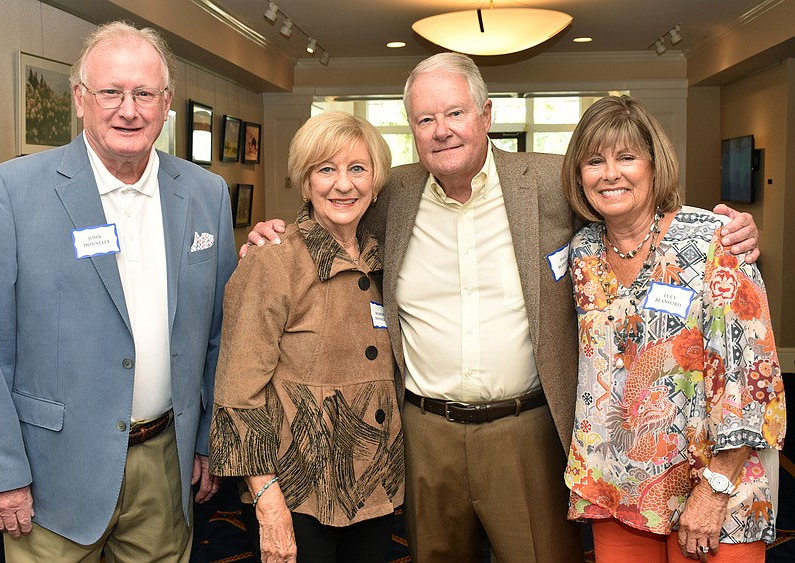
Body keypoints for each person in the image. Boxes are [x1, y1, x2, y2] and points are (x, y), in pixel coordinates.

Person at [245, 53, 759, 563]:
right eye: (425, 119)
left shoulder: (553, 181)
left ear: (485, 114)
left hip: (526, 429)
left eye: (455, 113)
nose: (442, 130)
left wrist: (730, 232)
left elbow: (632, 207)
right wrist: (274, 235)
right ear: (413, 129)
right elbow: (335, 210)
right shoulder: (392, 193)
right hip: (425, 431)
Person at [0, 21, 236, 561]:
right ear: (80, 98)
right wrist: (0, 472)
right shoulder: (12, 191)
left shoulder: (207, 194)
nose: (128, 110)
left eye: (144, 94)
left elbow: (220, 334)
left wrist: (206, 439)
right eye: (111, 92)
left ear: (166, 104)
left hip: (166, 465)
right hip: (52, 471)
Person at [561, 95, 786, 563]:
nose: (610, 174)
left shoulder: (713, 241)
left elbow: (750, 377)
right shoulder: (582, 252)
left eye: (626, 157)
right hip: (616, 489)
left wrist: (715, 488)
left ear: (654, 165)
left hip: (713, 486)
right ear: (579, 175)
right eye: (594, 161)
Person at [210, 111, 401, 563]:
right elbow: (238, 392)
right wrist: (267, 502)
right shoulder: (273, 260)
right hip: (297, 494)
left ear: (376, 182)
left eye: (358, 168)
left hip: (376, 486)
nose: (343, 184)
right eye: (325, 169)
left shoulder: (386, 258)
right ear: (304, 181)